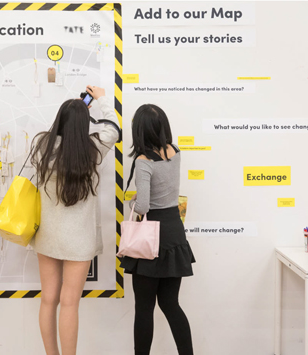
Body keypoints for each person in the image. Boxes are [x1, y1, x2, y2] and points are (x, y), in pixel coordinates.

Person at [30, 85, 120, 355]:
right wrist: (102, 100)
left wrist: (71, 115)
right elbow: (113, 130)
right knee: (70, 302)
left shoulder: (42, 145)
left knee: (48, 300)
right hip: (79, 239)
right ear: (85, 124)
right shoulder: (92, 148)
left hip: (47, 235)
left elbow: (56, 136)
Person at [121, 104, 196, 355]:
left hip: (151, 236)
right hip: (174, 230)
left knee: (144, 308)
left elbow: (142, 205)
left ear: (139, 131)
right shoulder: (175, 151)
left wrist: (130, 202)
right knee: (171, 304)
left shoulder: (143, 162)